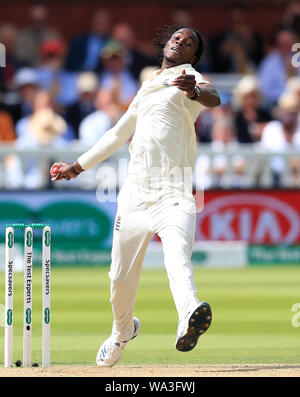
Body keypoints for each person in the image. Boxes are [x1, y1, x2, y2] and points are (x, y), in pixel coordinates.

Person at [51, 25, 220, 367]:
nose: (181, 42)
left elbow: (213, 97)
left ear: (193, 56)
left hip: (175, 192)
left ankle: (189, 313)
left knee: (178, 259)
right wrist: (77, 166)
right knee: (119, 278)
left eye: (189, 43)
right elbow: (117, 134)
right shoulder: (147, 87)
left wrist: (196, 90)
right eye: (177, 37)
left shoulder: (190, 77)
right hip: (135, 194)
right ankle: (122, 331)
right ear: (166, 44)